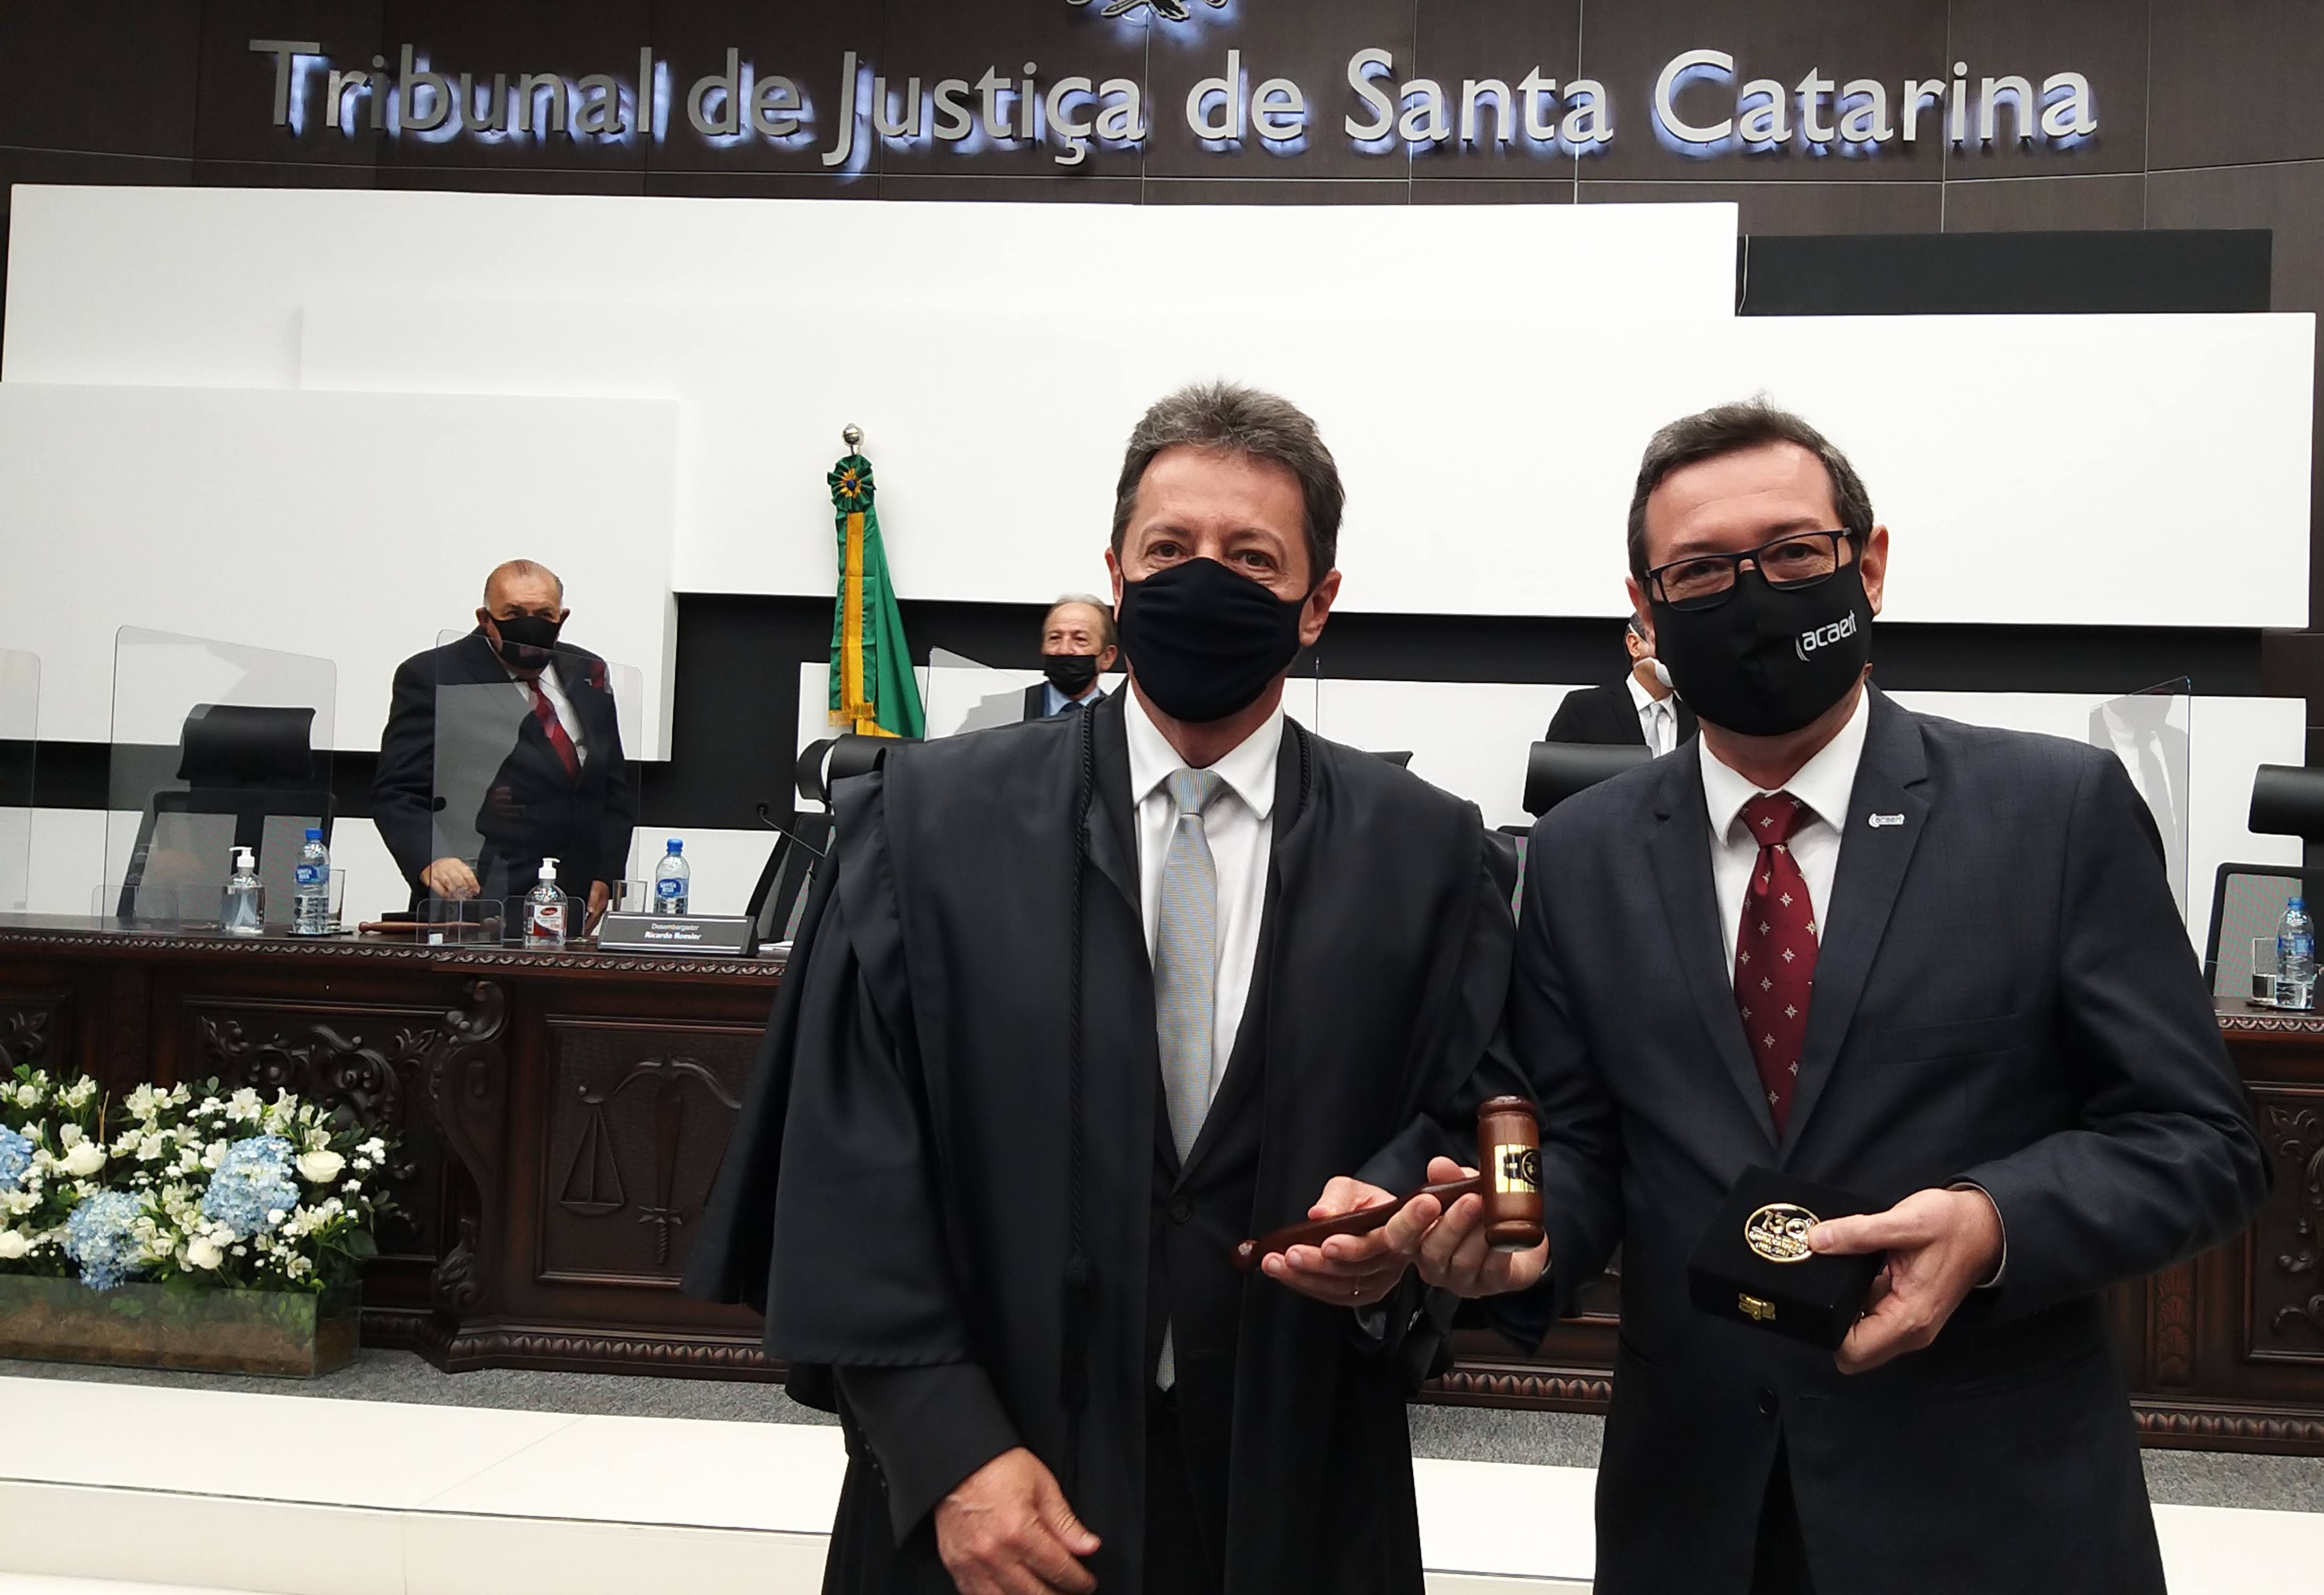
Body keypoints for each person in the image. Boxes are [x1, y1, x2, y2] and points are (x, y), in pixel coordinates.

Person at [1417, 400, 2268, 1593]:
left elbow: (2203, 1139)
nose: (1751, 593)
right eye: (1700, 570)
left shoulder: (2054, 811)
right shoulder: (1577, 853)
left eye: (1791, 554)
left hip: (1991, 1505)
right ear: (1646, 607)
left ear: (1867, 565)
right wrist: (1520, 1236)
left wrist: (1991, 1220)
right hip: (1695, 1507)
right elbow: (1584, 1144)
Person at [687, 381, 1523, 1595]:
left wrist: (1399, 1214)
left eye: (1253, 557)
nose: (1204, 577)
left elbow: (1475, 1103)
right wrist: (946, 1447)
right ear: (1117, 573)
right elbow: (844, 1156)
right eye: (1169, 548)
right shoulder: (918, 828)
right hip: (992, 1487)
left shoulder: (1429, 850)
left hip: (1295, 1468)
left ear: (1318, 602)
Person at [374, 558, 634, 923]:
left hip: (569, 899)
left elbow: (612, 785)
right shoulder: (434, 674)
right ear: (485, 618)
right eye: (513, 614)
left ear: (562, 618)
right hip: (474, 897)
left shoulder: (588, 671)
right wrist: (432, 858)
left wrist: (605, 873)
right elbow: (398, 790)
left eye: (544, 614)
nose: (530, 625)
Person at [1545, 616, 1680, 754]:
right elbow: (1555, 766)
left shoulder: (1693, 715)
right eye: (1667, 643)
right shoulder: (1582, 710)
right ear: (1634, 646)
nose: (1680, 655)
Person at [1026, 594, 1119, 720]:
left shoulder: (1121, 718)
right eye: (1055, 638)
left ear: (1108, 657)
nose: (1064, 650)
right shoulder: (1011, 708)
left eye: (1080, 639)